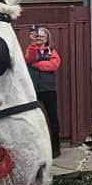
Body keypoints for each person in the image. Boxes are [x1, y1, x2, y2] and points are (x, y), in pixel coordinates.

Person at [24, 26, 62, 157]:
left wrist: (37, 65)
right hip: (33, 90)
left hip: (48, 90)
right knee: (32, 119)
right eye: (37, 35)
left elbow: (54, 65)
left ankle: (56, 148)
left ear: (47, 38)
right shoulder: (31, 49)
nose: (40, 38)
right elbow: (28, 59)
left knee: (53, 119)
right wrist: (33, 45)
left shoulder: (52, 52)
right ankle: (35, 148)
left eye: (42, 36)